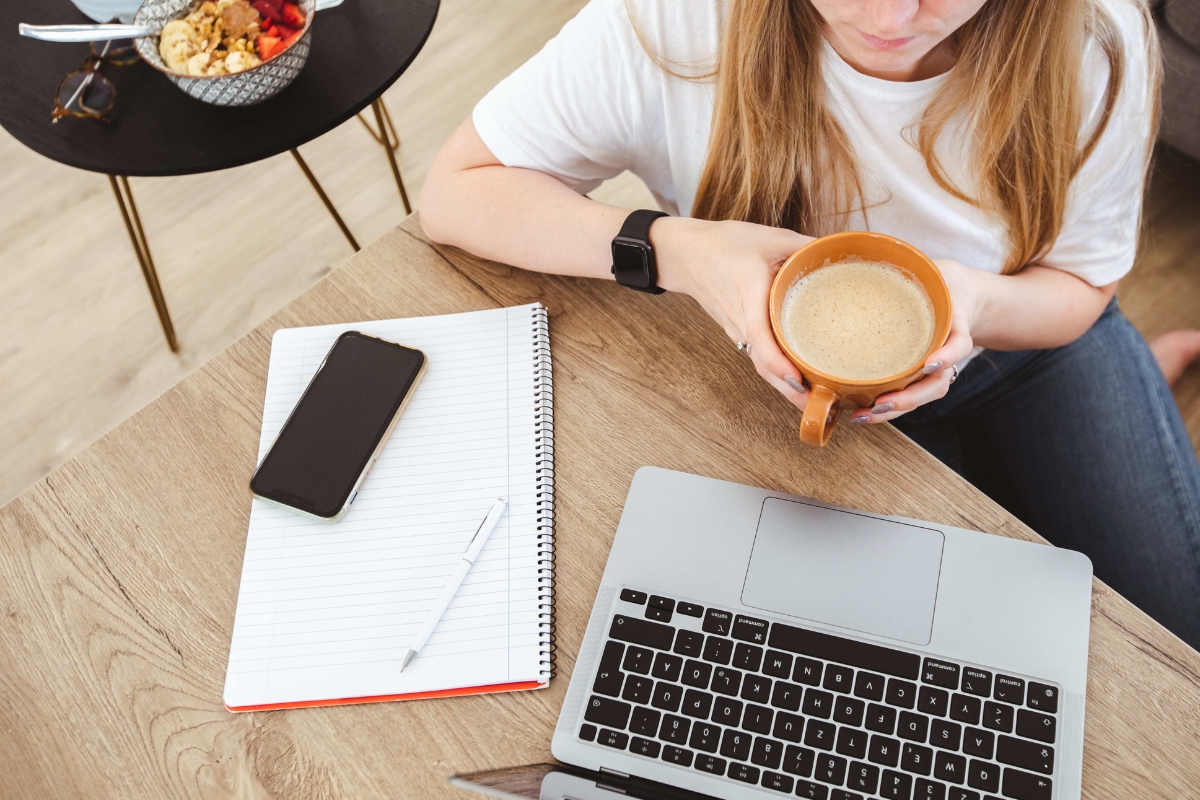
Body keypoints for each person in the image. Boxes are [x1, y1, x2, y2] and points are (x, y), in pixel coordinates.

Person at [420, 0, 1200, 650]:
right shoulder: (671, 22)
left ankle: (1130, 383)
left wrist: (980, 303)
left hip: (1023, 341)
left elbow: (1081, 282)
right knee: (911, 650)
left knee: (1172, 628)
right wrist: (678, 249)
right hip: (794, 384)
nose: (891, 16)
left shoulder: (1090, 33)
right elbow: (455, 194)